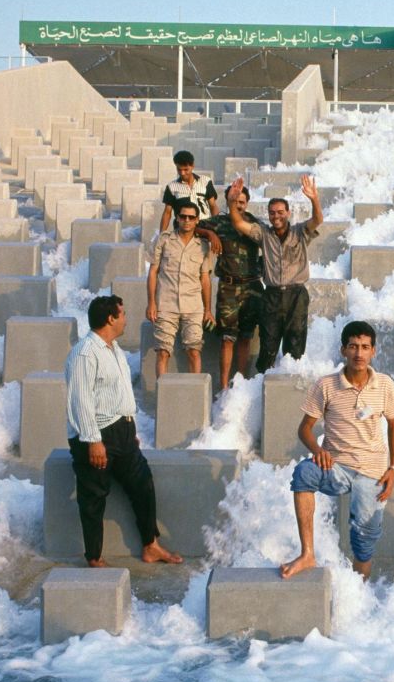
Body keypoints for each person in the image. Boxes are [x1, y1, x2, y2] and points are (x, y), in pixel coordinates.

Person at [64, 295, 183, 568]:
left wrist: (130, 426)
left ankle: (150, 545)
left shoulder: (114, 349)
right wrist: (93, 441)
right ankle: (94, 557)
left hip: (123, 434)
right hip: (97, 435)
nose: (126, 318)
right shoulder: (85, 353)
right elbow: (80, 399)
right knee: (93, 497)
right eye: (123, 313)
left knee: (143, 485)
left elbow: (117, 393)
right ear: (110, 318)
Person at [280, 321, 394, 580]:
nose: (359, 353)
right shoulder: (326, 385)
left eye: (365, 347)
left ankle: (359, 592)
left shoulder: (384, 384)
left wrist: (393, 468)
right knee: (304, 473)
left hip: (372, 472)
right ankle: (307, 554)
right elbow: (304, 429)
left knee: (364, 542)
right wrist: (317, 449)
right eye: (353, 347)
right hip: (335, 467)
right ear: (343, 350)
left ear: (373, 351)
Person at [229, 174, 323, 372]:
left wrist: (314, 198)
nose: (276, 216)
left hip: (296, 294)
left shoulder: (300, 232)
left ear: (288, 213)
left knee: (295, 347)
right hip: (271, 295)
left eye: (280, 212)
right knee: (268, 347)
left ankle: (289, 388)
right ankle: (264, 386)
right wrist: (231, 202)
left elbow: (317, 219)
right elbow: (238, 223)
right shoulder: (264, 233)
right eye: (272, 213)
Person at [199, 181, 263, 388]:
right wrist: (209, 234)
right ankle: (224, 386)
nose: (239, 204)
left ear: (247, 203)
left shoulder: (255, 224)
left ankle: (242, 385)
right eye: (235, 200)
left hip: (252, 288)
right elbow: (186, 225)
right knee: (227, 339)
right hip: (228, 289)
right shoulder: (218, 222)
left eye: (242, 201)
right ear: (228, 202)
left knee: (245, 337)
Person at [147, 199, 216, 377]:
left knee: (194, 351)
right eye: (183, 216)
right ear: (177, 218)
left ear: (197, 220)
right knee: (163, 352)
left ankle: (194, 395)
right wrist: (151, 303)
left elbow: (205, 279)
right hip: (166, 303)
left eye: (191, 217)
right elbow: (153, 271)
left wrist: (208, 310)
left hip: (193, 305)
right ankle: (162, 396)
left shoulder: (203, 246)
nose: (187, 220)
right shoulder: (164, 240)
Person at [159, 150, 217, 232]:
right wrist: (161, 234)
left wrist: (216, 228)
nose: (182, 173)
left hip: (205, 226)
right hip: (182, 228)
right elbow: (167, 212)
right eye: (179, 170)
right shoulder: (171, 187)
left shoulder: (206, 182)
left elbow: (213, 206)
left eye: (186, 169)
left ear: (192, 166)